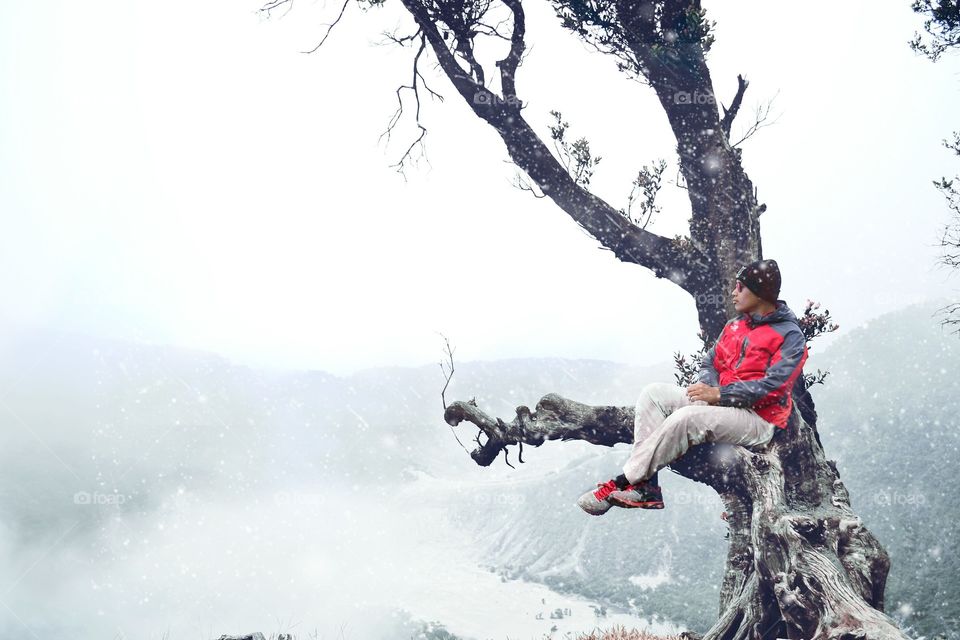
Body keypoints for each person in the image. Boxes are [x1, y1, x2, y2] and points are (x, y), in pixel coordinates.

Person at [577, 259, 809, 515]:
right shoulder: (736, 326)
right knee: (653, 394)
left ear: (760, 293)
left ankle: (624, 481)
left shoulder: (790, 335)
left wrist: (721, 394)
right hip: (724, 404)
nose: (734, 292)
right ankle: (646, 487)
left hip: (759, 419)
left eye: (740, 287)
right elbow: (710, 361)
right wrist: (711, 387)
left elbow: (774, 388)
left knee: (686, 418)